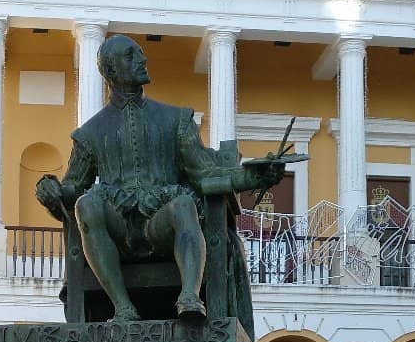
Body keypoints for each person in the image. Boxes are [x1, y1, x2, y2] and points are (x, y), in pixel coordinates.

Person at [36, 34, 286, 324]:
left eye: (141, 54)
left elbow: (205, 173)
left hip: (162, 225)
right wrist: (50, 190)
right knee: (87, 204)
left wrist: (255, 176)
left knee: (182, 204)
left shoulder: (175, 119)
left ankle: (190, 297)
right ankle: (123, 308)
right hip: (119, 232)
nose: (142, 60)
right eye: (131, 56)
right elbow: (72, 190)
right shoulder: (90, 134)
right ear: (111, 71)